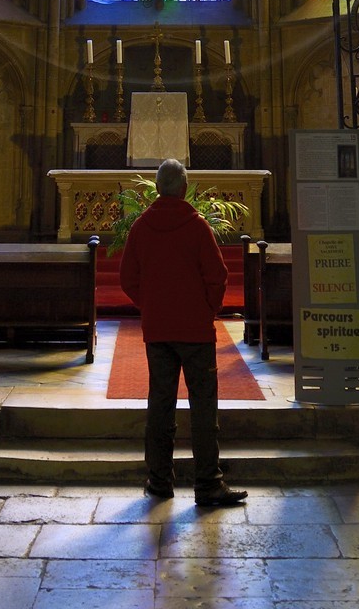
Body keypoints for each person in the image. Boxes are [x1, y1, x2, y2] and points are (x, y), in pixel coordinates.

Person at [119, 157, 247, 507]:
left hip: (158, 330)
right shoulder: (196, 226)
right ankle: (208, 484)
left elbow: (127, 278)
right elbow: (218, 276)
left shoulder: (142, 228)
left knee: (160, 405)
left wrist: (151, 305)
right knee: (203, 407)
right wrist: (207, 309)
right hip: (195, 331)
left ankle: (159, 481)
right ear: (185, 188)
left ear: (158, 188)